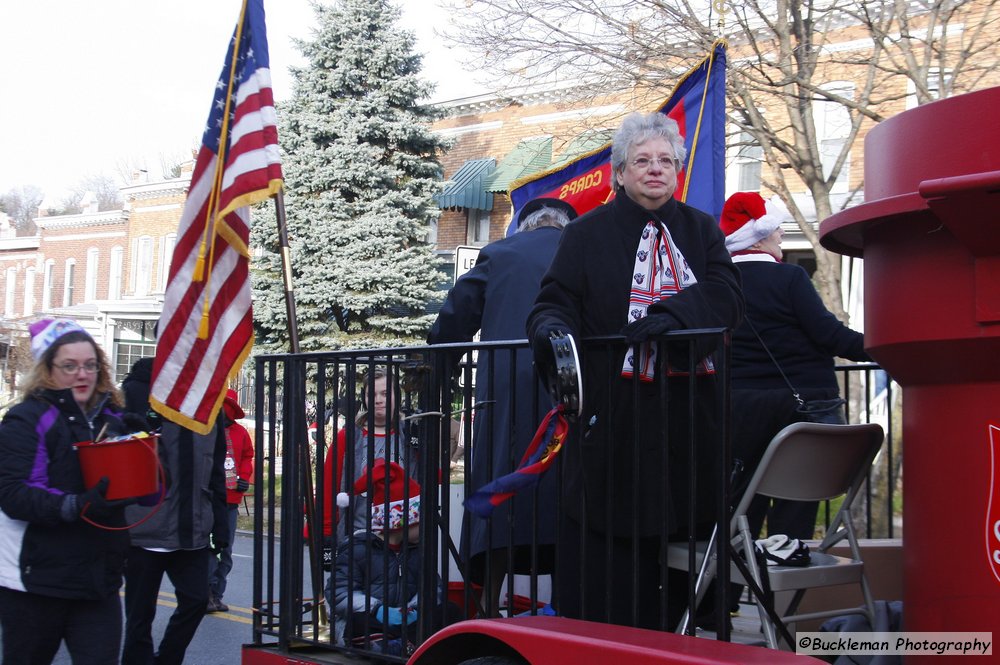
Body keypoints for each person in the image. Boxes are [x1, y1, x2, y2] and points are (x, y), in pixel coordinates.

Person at [526, 112, 744, 630]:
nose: (655, 170)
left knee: (682, 552)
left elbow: (729, 295)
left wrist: (672, 316)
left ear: (677, 171)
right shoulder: (584, 234)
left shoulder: (702, 229)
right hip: (616, 422)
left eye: (666, 161)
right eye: (642, 161)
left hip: (690, 422)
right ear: (620, 172)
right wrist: (553, 336)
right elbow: (553, 303)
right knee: (611, 566)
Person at [428, 197, 576, 615]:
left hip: (505, 395)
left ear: (524, 226)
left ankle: (488, 609)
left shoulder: (499, 252)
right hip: (571, 391)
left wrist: (439, 379)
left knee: (500, 495)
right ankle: (568, 610)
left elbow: (454, 320)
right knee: (567, 497)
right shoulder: (580, 251)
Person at [720, 191, 871, 540]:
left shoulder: (720, 285)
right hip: (800, 411)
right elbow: (829, 335)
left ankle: (734, 588)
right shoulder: (790, 278)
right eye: (777, 230)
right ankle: (784, 582)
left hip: (739, 408)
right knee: (794, 506)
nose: (782, 235)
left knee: (742, 506)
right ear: (760, 236)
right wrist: (881, 346)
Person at [0, 318, 132, 665]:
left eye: (90, 365)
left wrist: (146, 454)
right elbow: (15, 494)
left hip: (97, 583)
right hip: (35, 583)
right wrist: (79, 505)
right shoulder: (27, 418)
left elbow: (144, 495)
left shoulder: (111, 420)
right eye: (69, 366)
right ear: (48, 370)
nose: (82, 374)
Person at [120, 356, 229, 665]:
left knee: (195, 602)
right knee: (139, 617)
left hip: (191, 527)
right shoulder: (138, 391)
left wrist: (220, 523)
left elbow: (216, 466)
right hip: (145, 526)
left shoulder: (211, 400)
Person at [327, 459, 453, 656]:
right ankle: (403, 643)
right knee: (357, 623)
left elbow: (433, 586)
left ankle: (404, 643)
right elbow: (339, 593)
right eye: (419, 521)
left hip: (407, 618)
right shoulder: (359, 548)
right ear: (400, 522)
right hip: (373, 618)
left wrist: (414, 608)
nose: (424, 527)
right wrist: (376, 609)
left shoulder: (415, 550)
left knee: (449, 610)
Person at [322, 368, 418, 553]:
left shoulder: (409, 435)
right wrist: (327, 535)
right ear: (364, 398)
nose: (378, 400)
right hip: (358, 541)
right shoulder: (348, 436)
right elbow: (329, 486)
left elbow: (429, 478)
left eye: (385, 393)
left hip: (404, 544)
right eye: (371, 394)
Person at [207, 388, 254, 613]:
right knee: (207, 549)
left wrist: (244, 478)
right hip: (208, 500)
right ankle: (204, 593)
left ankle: (216, 595)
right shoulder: (205, 431)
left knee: (225, 551)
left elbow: (247, 456)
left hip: (231, 502)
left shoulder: (241, 433)